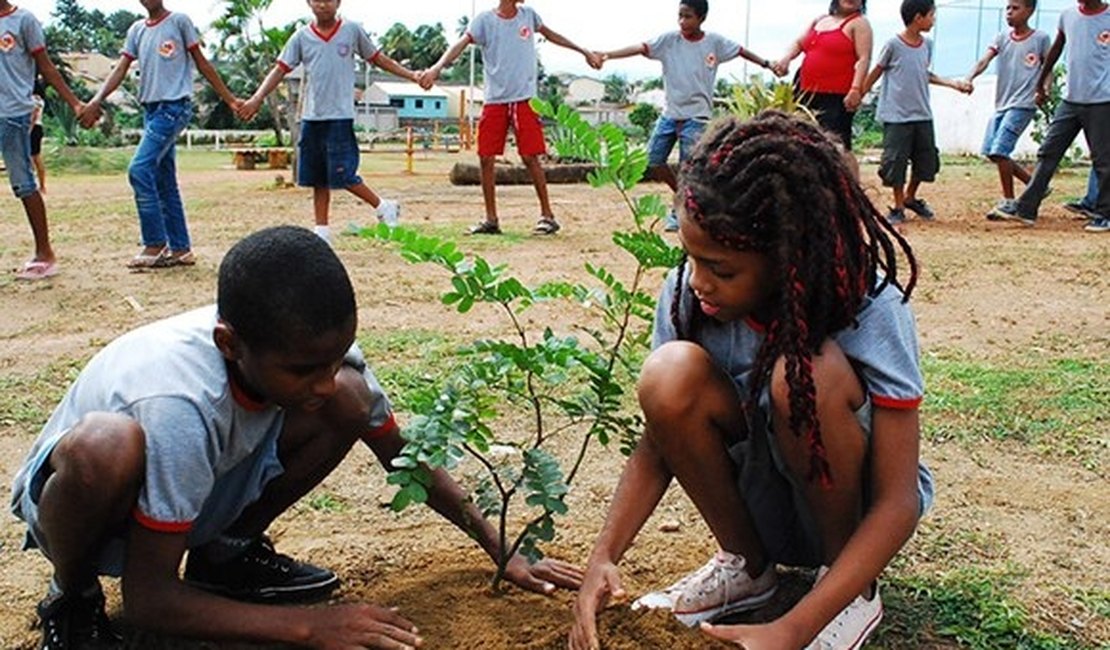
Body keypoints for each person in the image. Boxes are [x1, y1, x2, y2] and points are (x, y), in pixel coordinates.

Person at [10, 226, 582, 650]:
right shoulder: (177, 403)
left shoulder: (309, 347)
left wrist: (499, 544)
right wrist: (311, 627)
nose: (323, 380)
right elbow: (149, 601)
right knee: (105, 448)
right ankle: (74, 595)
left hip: (192, 489)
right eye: (305, 369)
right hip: (90, 505)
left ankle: (226, 554)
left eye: (334, 357)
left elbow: (401, 455)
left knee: (352, 401)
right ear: (229, 344)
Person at [569, 112, 934, 650]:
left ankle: (849, 592)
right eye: (692, 258)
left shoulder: (867, 305)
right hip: (765, 505)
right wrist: (603, 556)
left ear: (788, 258)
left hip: (851, 516)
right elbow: (659, 441)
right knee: (669, 372)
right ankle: (748, 567)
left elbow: (900, 499)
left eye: (721, 268)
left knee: (802, 373)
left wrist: (793, 629)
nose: (699, 281)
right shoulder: (688, 295)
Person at [78, 0, 240, 269]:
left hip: (174, 107)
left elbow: (202, 64)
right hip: (151, 110)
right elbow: (120, 68)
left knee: (139, 170)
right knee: (165, 180)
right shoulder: (137, 30)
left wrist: (231, 100)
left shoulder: (179, 22)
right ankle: (181, 248)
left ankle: (155, 243)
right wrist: (96, 100)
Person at [419, 0, 602, 236]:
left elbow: (553, 35)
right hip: (495, 99)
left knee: (530, 157)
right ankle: (491, 219)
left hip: (524, 98)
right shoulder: (484, 21)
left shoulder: (528, 16)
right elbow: (459, 45)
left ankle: (548, 216)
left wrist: (583, 51)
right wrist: (437, 68)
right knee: (485, 157)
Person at [597, 0, 780, 232]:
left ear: (701, 18)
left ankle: (681, 212)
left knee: (688, 168)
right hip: (670, 114)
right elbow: (640, 47)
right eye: (680, 16)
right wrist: (607, 55)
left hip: (697, 117)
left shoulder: (715, 42)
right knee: (653, 159)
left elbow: (742, 51)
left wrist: (767, 64)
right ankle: (682, 198)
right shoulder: (669, 41)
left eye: (688, 17)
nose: (683, 22)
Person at [238, 0, 410, 245]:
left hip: (340, 116)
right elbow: (280, 69)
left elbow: (378, 59)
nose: (323, 4)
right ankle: (322, 232)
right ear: (309, 2)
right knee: (318, 177)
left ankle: (384, 206)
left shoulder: (351, 31)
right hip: (312, 116)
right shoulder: (301, 37)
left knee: (344, 174)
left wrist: (413, 75)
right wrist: (256, 99)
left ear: (338, 2)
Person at [988, 0, 1109, 234]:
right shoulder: (1068, 15)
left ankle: (1104, 213)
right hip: (1071, 99)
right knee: (1048, 152)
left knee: (1103, 161)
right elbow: (1056, 49)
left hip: (1103, 101)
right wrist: (1041, 83)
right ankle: (1027, 208)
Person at [860, 0, 972, 225]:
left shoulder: (927, 45)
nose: (934, 20)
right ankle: (899, 206)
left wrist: (953, 84)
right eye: (931, 15)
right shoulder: (893, 44)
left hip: (922, 114)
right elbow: (878, 71)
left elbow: (925, 74)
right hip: (897, 116)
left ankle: (911, 196)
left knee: (926, 160)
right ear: (918, 18)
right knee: (895, 162)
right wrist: (859, 93)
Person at [0, 1, 85, 281]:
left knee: (23, 183)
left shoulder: (23, 21)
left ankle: (45, 253)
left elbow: (46, 67)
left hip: (13, 113)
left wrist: (74, 103)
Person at [964, 0, 1050, 219]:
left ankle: (1010, 202)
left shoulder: (1040, 39)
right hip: (1002, 104)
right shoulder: (1001, 38)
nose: (1010, 13)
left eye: (1015, 8)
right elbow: (985, 59)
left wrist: (1044, 89)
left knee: (1000, 150)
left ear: (1030, 11)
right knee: (990, 151)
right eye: (1008, 8)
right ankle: (1035, 185)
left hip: (1023, 104)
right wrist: (970, 76)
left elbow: (1047, 66)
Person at [773, 0, 873, 157]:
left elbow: (864, 58)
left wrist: (855, 89)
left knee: (837, 146)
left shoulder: (859, 23)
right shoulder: (819, 20)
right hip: (805, 92)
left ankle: (849, 181)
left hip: (836, 96)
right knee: (801, 140)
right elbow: (799, 43)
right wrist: (786, 58)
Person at [30, 92, 47, 194]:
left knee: (32, 157)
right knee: (36, 157)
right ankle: (41, 185)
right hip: (37, 127)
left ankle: (34, 184)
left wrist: (29, 129)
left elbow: (34, 114)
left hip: (34, 127)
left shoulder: (34, 99)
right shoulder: (39, 99)